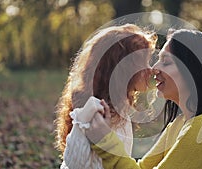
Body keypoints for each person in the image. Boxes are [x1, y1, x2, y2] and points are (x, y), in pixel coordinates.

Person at [84, 29, 202, 169]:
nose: (154, 68)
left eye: (166, 62)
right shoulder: (180, 124)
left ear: (193, 71)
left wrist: (105, 141)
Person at [54, 24, 156, 168]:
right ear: (124, 69)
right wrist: (87, 126)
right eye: (144, 62)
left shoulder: (121, 107)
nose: (150, 69)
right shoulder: (95, 110)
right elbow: (74, 163)